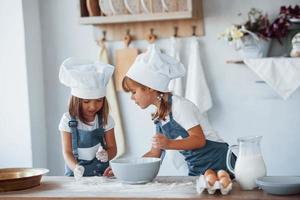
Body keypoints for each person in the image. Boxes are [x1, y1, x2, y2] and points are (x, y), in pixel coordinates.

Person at [121, 44, 235, 176]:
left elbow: (199, 140)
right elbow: (155, 153)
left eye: (133, 92)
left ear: (149, 87)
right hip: (197, 169)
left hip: (220, 164)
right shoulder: (159, 116)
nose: (132, 98)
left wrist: (169, 143)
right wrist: (127, 169)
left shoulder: (180, 106)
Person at [58, 57, 117, 180]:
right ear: (76, 100)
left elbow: (113, 148)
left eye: (99, 100)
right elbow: (67, 152)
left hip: (101, 176)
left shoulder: (106, 120)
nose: (93, 106)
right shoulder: (67, 120)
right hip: (75, 177)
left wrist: (107, 155)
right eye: (86, 101)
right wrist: (75, 167)